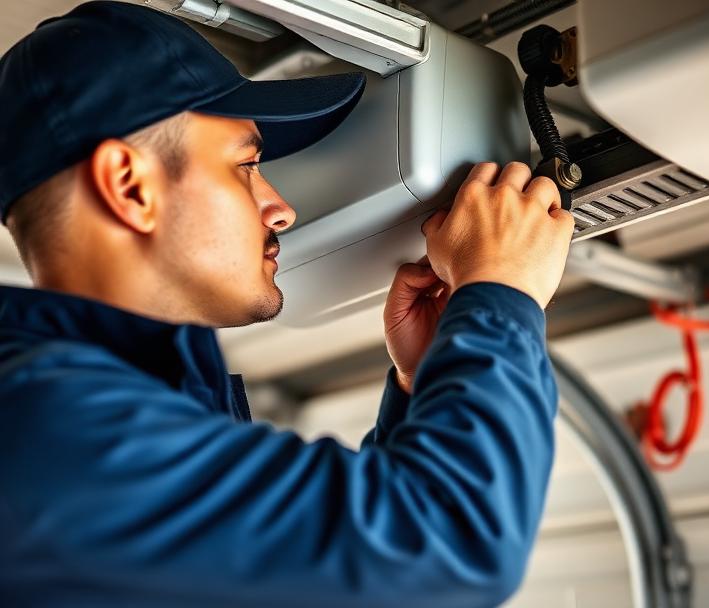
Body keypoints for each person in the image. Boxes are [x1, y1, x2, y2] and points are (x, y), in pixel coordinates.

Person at [0, 2, 573, 607]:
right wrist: (498, 295)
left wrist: (425, 385)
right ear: (129, 186)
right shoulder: (48, 425)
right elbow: (453, 549)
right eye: (246, 165)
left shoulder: (95, 424)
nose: (281, 208)